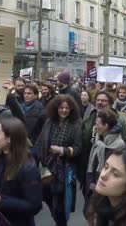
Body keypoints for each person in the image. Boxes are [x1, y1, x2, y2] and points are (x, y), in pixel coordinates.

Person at [0, 117, 42, 226]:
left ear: (10, 138)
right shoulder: (0, 158)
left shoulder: (28, 168)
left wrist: (1, 200)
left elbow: (34, 205)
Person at [35, 94, 83, 226]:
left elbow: (78, 148)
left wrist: (62, 150)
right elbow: (40, 142)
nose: (64, 110)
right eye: (61, 107)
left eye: (67, 108)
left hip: (65, 170)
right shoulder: (49, 121)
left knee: (62, 205)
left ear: (72, 109)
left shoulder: (77, 123)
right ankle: (57, 218)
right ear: (56, 108)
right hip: (47, 169)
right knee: (49, 199)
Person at [85, 108, 126, 224]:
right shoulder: (99, 140)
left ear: (106, 125)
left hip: (106, 195)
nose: (95, 127)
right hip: (95, 187)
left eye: (97, 124)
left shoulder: (118, 146)